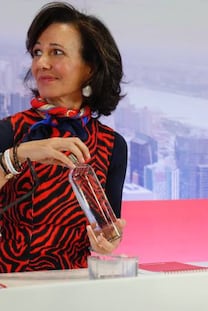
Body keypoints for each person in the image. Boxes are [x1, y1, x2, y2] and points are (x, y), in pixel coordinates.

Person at [0, 2, 128, 272]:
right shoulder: (10, 130)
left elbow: (107, 228)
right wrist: (19, 154)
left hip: (71, 284)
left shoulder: (112, 145)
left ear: (89, 67)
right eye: (37, 52)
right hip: (9, 283)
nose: (41, 63)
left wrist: (107, 240)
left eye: (56, 52)